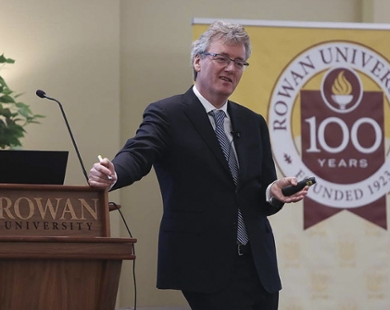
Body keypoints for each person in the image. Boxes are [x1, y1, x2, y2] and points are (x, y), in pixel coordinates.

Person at [89, 20, 309, 310]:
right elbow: (139, 153)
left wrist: (273, 191)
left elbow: (259, 192)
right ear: (197, 61)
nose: (230, 68)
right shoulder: (168, 114)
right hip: (203, 262)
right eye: (222, 58)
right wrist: (114, 173)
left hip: (258, 264)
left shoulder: (252, 122)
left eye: (239, 62)